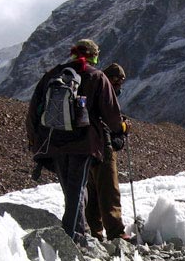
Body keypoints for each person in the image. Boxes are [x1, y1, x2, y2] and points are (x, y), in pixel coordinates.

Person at [26, 39, 126, 245]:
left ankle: (77, 232)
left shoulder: (53, 74)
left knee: (71, 191)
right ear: (94, 55)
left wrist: (34, 140)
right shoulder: (97, 76)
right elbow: (112, 115)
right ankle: (74, 237)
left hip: (53, 143)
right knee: (78, 190)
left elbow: (33, 110)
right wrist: (121, 129)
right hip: (82, 145)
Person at [85, 63, 128, 241]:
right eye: (117, 82)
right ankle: (116, 232)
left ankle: (94, 231)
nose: (119, 86)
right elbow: (112, 121)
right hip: (103, 147)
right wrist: (123, 127)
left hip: (85, 147)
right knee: (109, 190)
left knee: (92, 190)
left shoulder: (88, 89)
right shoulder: (105, 92)